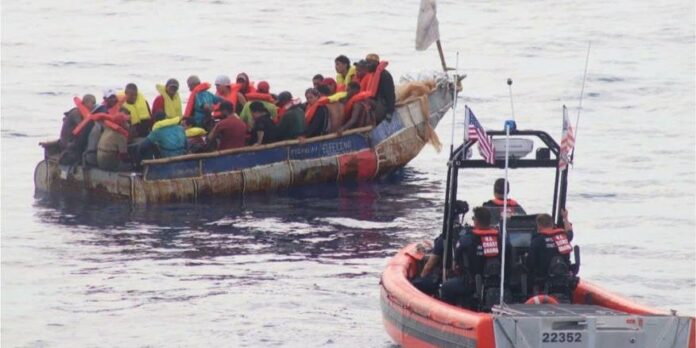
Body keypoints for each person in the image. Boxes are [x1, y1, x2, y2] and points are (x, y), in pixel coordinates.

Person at [440, 207, 501, 306]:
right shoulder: (501, 238)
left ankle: (449, 314)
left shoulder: (467, 239)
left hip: (471, 283)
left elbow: (456, 260)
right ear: (489, 221)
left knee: (446, 287)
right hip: (498, 282)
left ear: (476, 221)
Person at [412, 201, 469, 296]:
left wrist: (421, 278)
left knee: (416, 283)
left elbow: (429, 266)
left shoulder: (444, 239)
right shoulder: (467, 234)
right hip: (465, 277)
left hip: (448, 278)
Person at [526, 210, 575, 296]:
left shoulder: (537, 241)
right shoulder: (563, 237)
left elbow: (530, 263)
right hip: (563, 277)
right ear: (552, 225)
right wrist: (565, 218)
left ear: (539, 226)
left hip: (544, 279)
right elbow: (570, 232)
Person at [83, 89, 120, 166]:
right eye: (110, 98)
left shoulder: (117, 108)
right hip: (93, 143)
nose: (113, 99)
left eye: (114, 97)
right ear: (105, 99)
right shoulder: (102, 110)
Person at [59, 94, 97, 165]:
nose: (94, 105)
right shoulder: (76, 113)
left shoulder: (83, 112)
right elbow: (83, 127)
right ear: (86, 102)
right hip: (68, 143)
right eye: (93, 103)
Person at [365, 53, 395, 122]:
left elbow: (390, 95)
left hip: (382, 104)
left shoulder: (384, 75)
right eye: (366, 63)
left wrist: (390, 112)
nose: (367, 65)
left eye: (369, 63)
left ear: (376, 63)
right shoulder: (373, 75)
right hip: (376, 102)